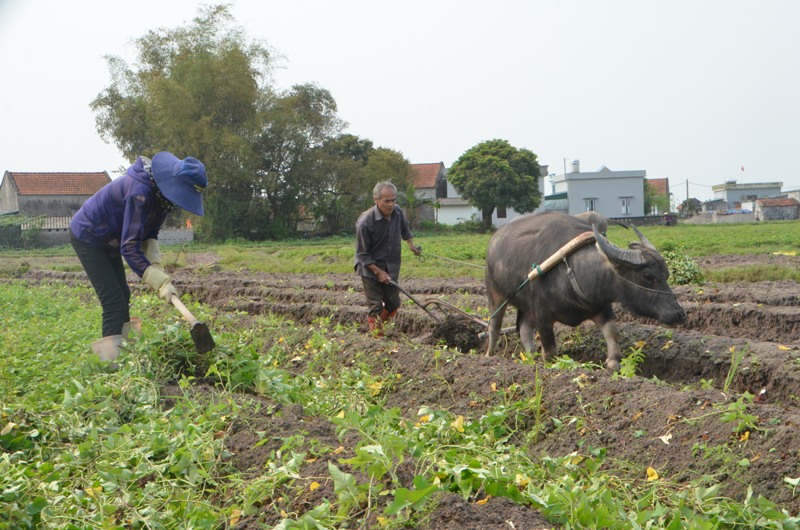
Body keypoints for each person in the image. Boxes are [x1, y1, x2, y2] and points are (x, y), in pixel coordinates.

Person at [69, 151, 207, 362]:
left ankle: (125, 353)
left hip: (111, 238)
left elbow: (149, 235)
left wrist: (157, 268)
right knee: (114, 300)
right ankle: (111, 364)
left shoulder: (162, 197)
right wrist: (159, 282)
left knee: (123, 293)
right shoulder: (140, 193)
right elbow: (130, 246)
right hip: (89, 235)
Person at [354, 181, 421, 336]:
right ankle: (377, 340)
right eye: (386, 201)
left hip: (391, 266)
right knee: (376, 306)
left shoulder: (397, 212)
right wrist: (378, 272)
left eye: (393, 200)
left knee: (393, 304)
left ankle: (377, 328)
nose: (391, 204)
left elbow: (405, 229)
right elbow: (362, 254)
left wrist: (411, 244)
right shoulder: (365, 223)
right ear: (376, 200)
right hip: (369, 269)